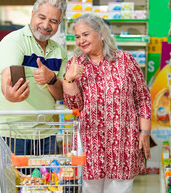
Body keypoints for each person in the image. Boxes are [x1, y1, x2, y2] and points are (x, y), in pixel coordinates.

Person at [0, 0, 68, 192]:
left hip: (44, 132)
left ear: (60, 24)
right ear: (32, 14)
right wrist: (10, 93)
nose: (46, 25)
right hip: (11, 131)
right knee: (11, 188)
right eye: (42, 17)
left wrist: (51, 79)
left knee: (44, 188)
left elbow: (61, 95)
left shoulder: (59, 51)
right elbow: (8, 77)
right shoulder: (14, 41)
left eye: (54, 21)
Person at [62, 13, 152, 193]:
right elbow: (74, 107)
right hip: (90, 145)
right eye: (77, 37)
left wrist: (145, 132)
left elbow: (142, 97)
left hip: (123, 144)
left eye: (85, 35)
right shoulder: (75, 64)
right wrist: (69, 79)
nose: (81, 41)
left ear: (101, 33)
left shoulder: (125, 61)